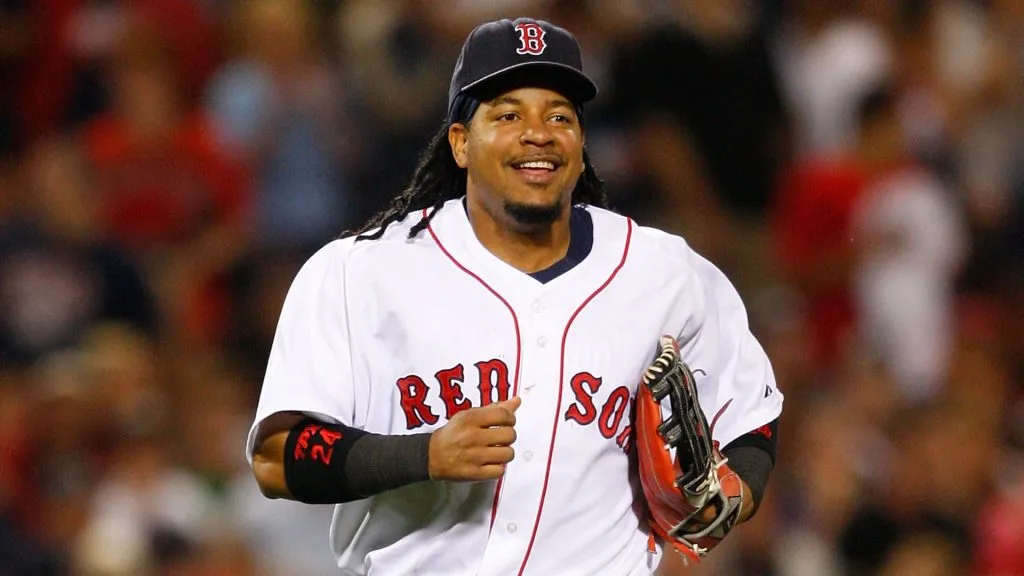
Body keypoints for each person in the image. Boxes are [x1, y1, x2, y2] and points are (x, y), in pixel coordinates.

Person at [246, 18, 782, 575]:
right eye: (508, 115)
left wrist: (736, 494)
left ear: (579, 143)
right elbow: (276, 457)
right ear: (460, 142)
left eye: (559, 116)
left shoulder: (663, 273)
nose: (539, 133)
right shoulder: (361, 273)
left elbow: (752, 414)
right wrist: (424, 455)